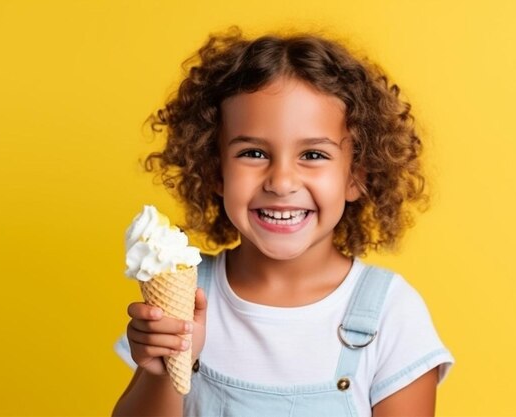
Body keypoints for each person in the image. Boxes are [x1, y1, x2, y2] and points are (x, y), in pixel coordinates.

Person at [112, 26, 453, 417]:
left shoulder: (391, 313)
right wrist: (162, 370)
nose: (281, 182)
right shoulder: (187, 299)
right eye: (254, 153)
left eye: (313, 155)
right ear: (215, 170)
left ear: (357, 175)